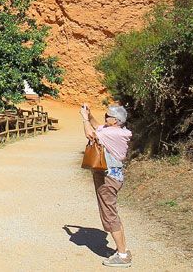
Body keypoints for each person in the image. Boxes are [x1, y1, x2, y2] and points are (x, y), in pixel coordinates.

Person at [81, 102, 133, 268]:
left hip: (108, 179)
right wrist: (89, 115)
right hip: (111, 177)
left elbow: (90, 133)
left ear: (115, 121)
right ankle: (122, 250)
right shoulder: (116, 131)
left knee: (109, 215)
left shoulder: (114, 134)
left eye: (107, 116)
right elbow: (98, 127)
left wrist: (84, 119)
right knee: (112, 213)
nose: (105, 118)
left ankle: (123, 255)